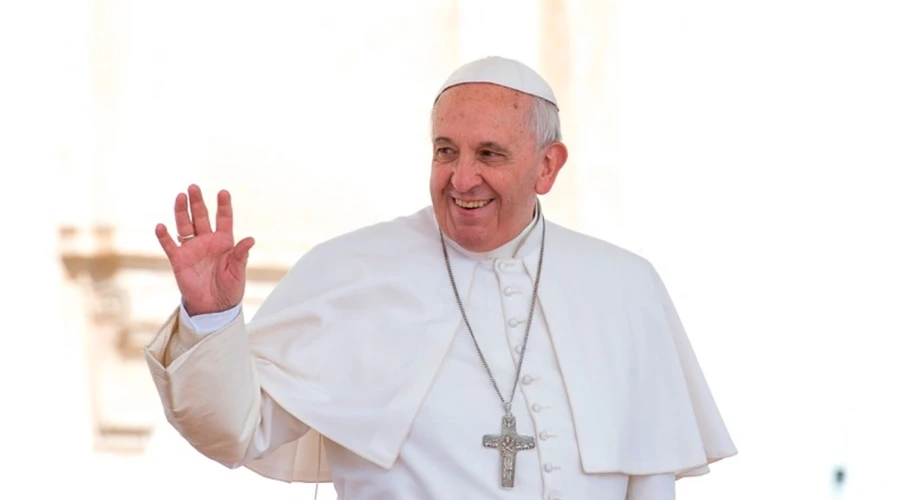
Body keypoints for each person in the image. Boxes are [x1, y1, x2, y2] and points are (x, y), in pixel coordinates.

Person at [144, 56, 737, 499]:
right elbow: (235, 431)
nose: (461, 179)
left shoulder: (624, 290)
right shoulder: (352, 271)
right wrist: (212, 318)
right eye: (446, 151)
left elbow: (652, 474)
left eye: (490, 155)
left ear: (547, 166)